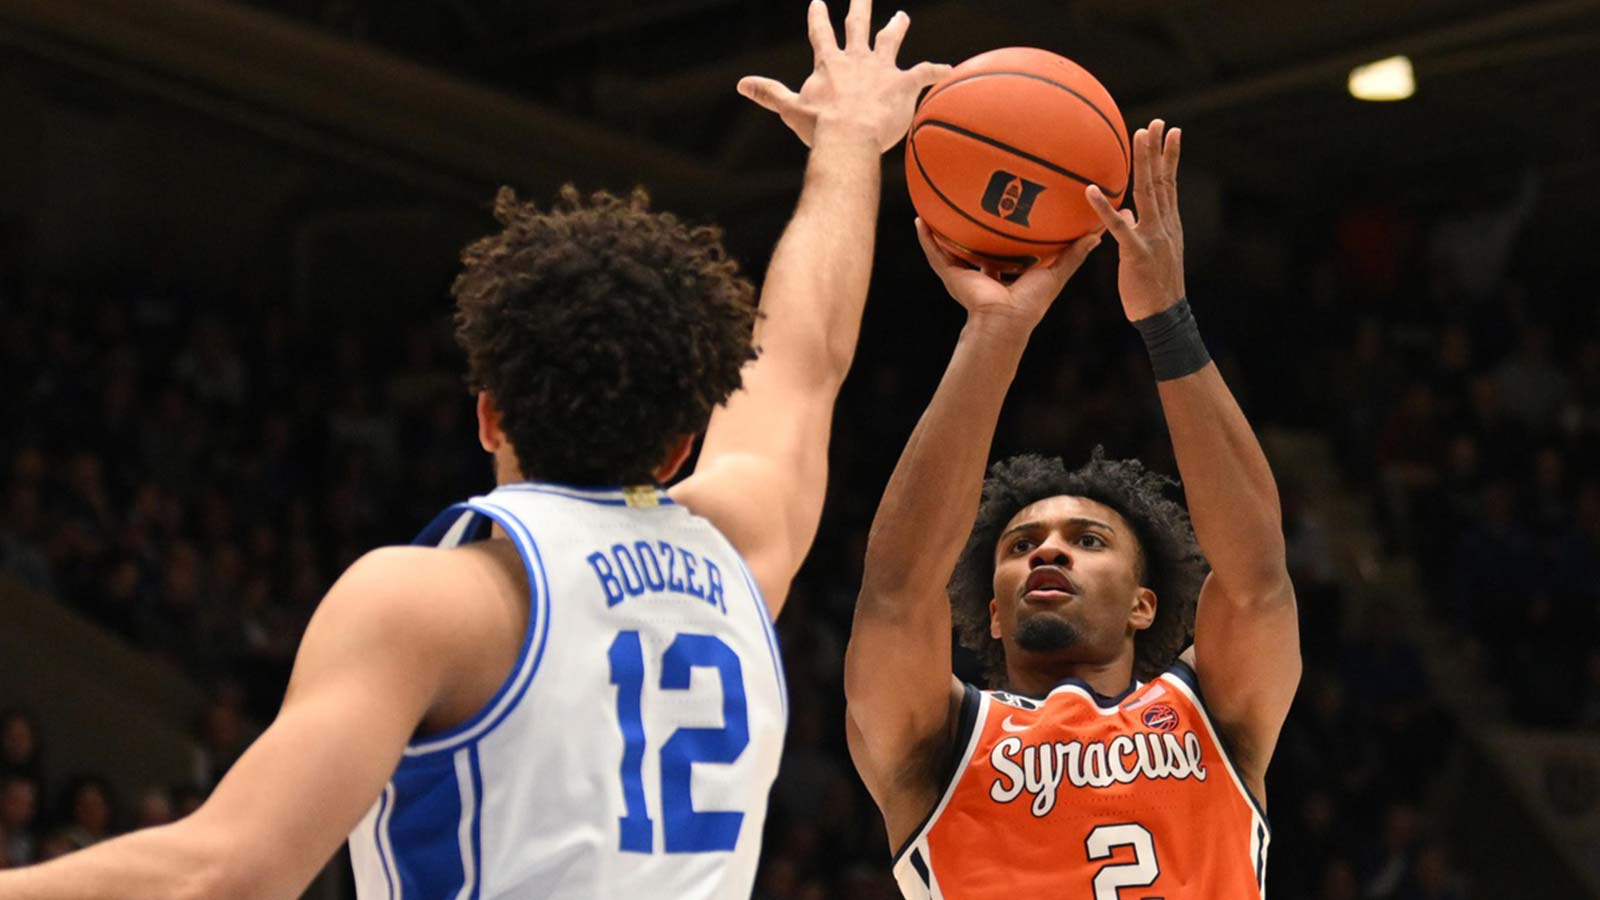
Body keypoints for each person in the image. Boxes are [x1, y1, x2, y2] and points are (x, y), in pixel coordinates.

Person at [0, 2, 947, 897]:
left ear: (489, 413)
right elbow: (807, 353)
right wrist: (852, 144)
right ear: (678, 444)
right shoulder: (742, 552)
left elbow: (227, 873)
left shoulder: (435, 603)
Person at [844, 120, 1300, 898]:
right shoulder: (939, 741)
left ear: (1144, 603)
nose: (1047, 553)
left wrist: (1168, 322)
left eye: (1087, 540)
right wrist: (994, 332)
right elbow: (894, 595)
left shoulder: (1214, 714)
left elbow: (1255, 573)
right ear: (990, 611)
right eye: (1020, 546)